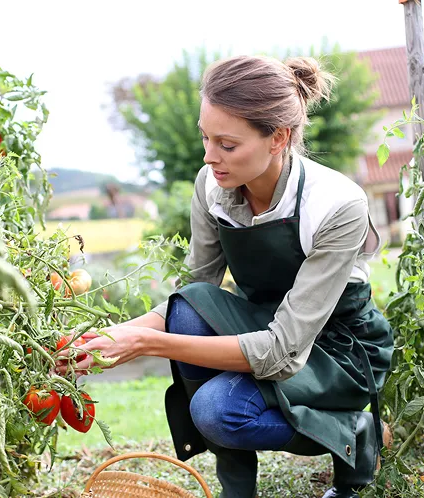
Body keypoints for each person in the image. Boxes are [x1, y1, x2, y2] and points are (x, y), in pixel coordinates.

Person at [55, 54, 394, 498]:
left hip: (336, 350)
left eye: (227, 145)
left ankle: (355, 432)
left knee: (216, 411)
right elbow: (194, 295)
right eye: (205, 137)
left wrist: (146, 344)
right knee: (189, 306)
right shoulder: (212, 186)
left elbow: (282, 352)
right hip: (263, 323)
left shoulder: (336, 204)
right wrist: (106, 338)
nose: (209, 156)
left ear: (278, 138)